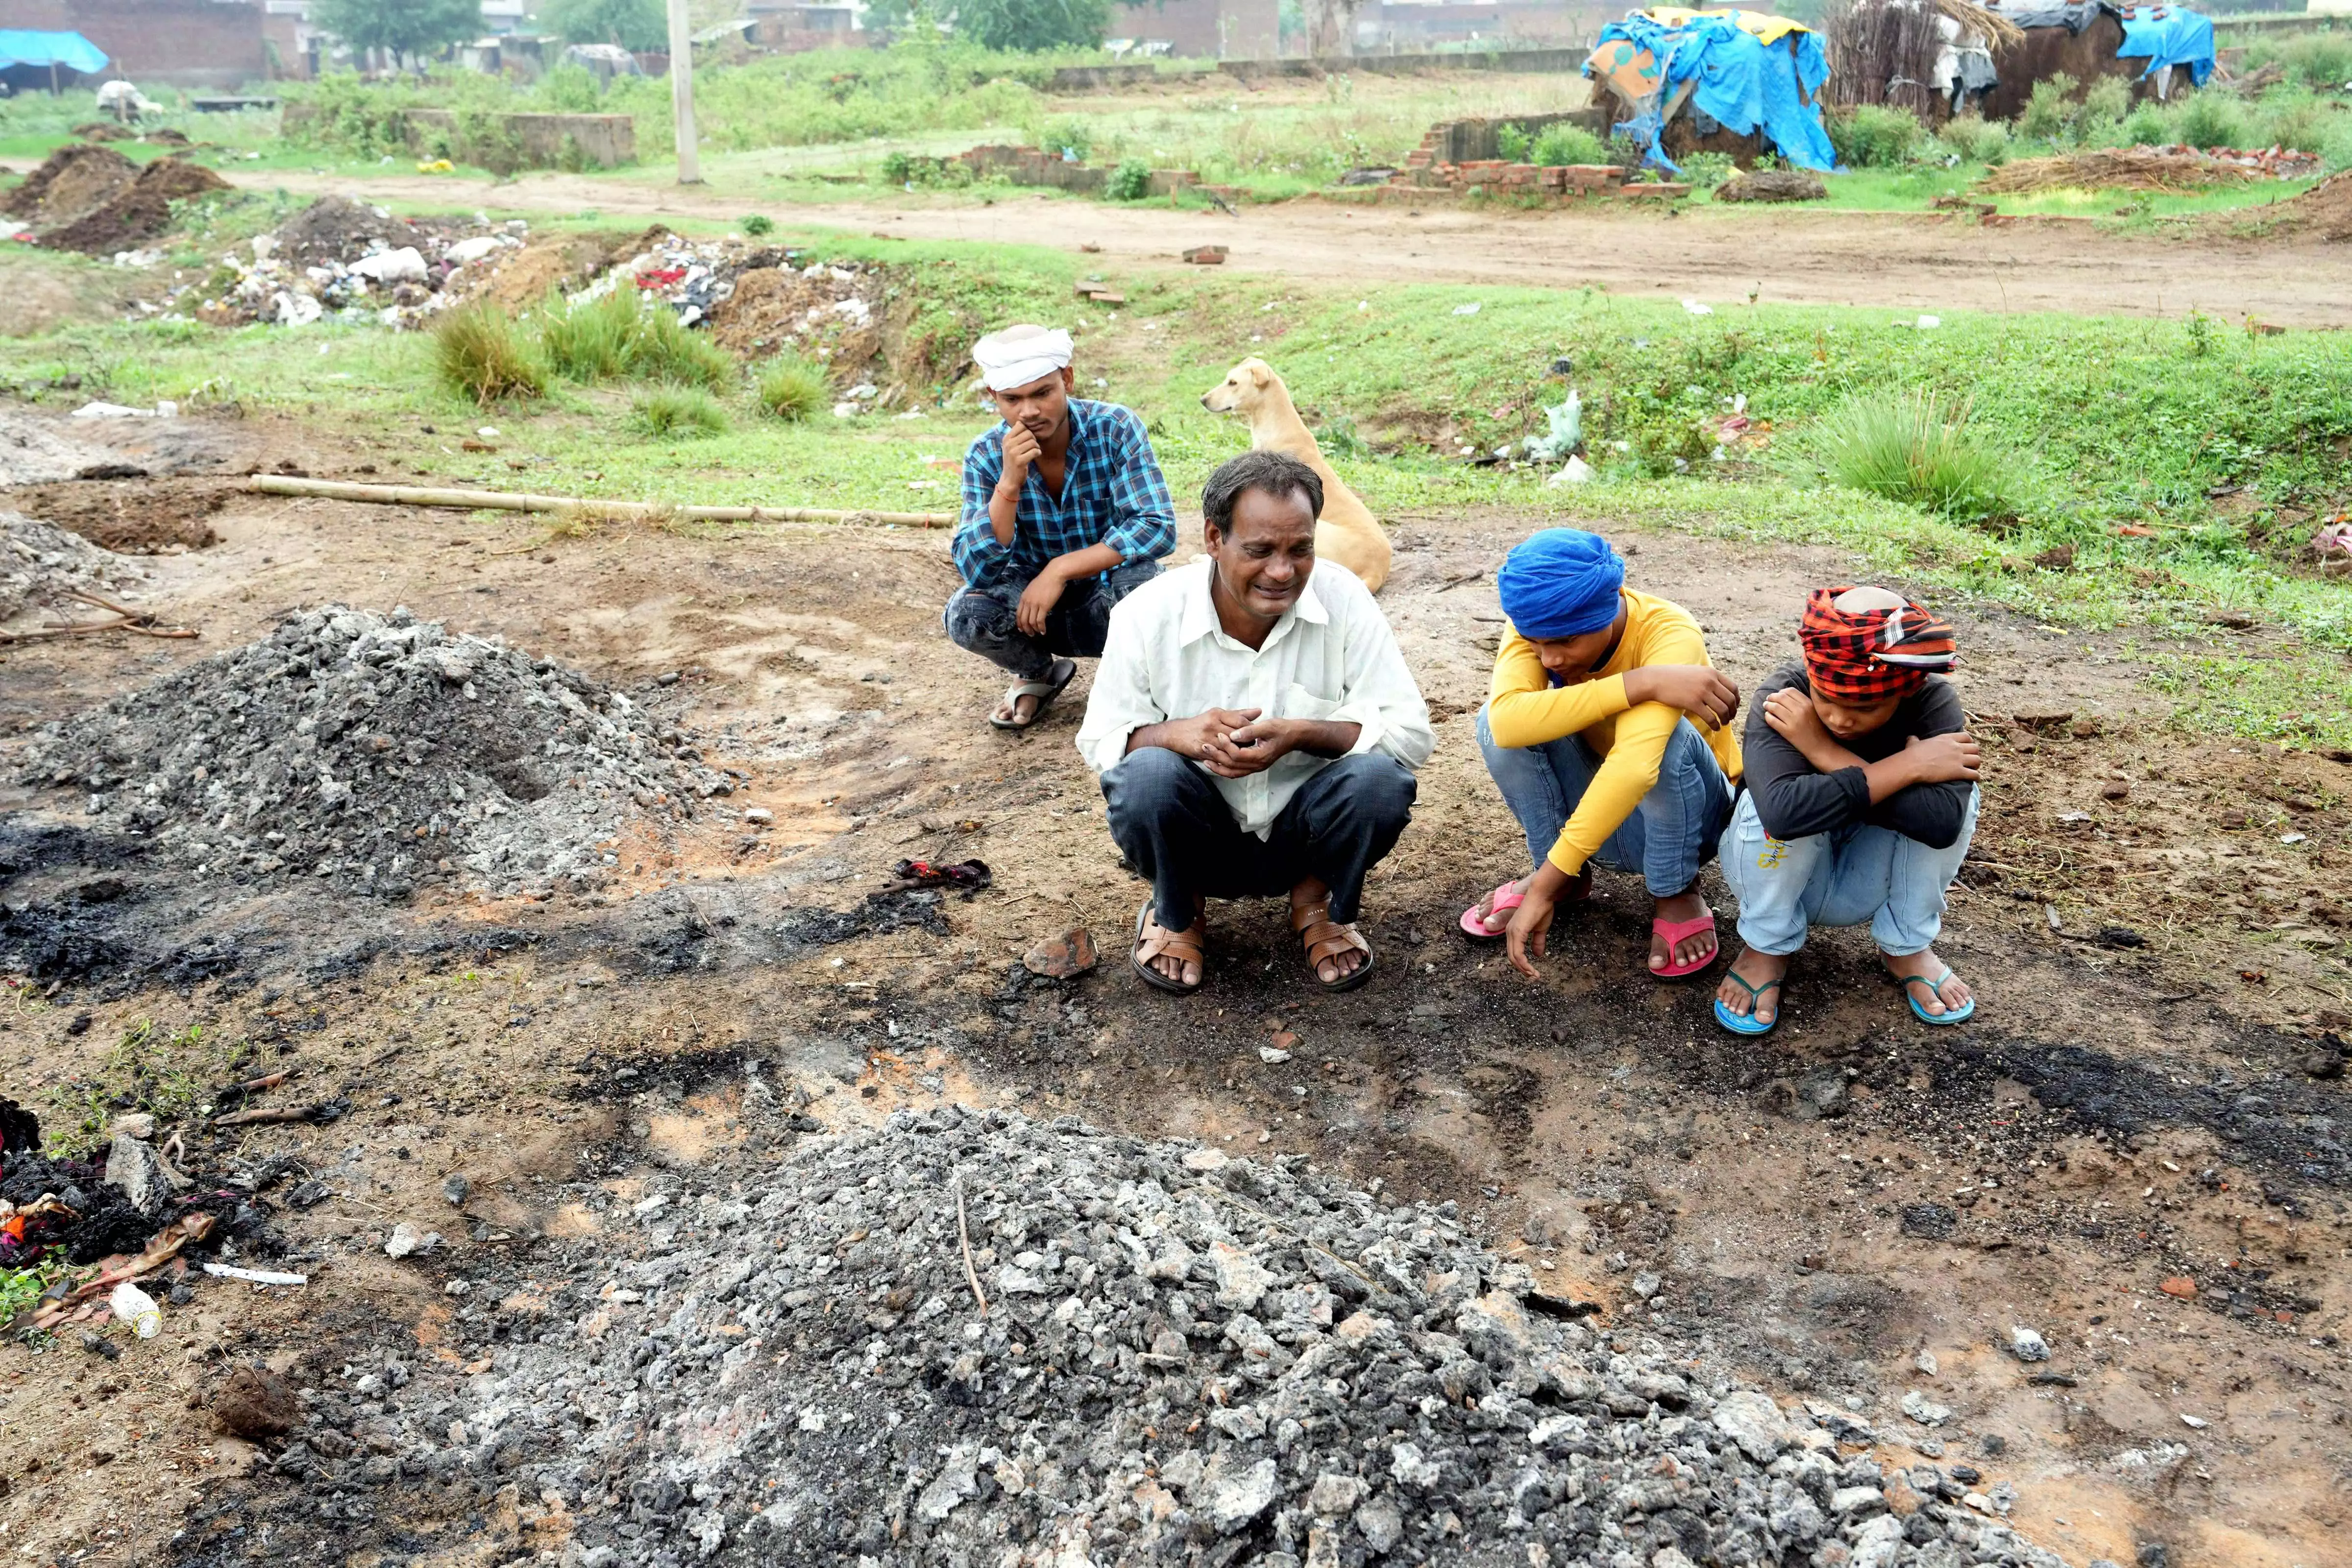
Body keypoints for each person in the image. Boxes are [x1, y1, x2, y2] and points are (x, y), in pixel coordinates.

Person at [1077, 451, 1433, 995]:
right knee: (1145, 777)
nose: (1282, 572)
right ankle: (1180, 908)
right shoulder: (1146, 615)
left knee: (1379, 783)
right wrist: (1178, 735)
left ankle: (1318, 901)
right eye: (1260, 550)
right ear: (1215, 538)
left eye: (1301, 549)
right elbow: (1101, 739)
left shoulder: (1346, 602)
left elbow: (1410, 734)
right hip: (1202, 835)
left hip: (1303, 834)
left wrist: (1303, 732)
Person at [1462, 529, 1742, 981]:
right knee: (1495, 726)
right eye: (1536, 641)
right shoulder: (1538, 618)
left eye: (1567, 642)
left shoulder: (1669, 633)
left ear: (1608, 607)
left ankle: (1676, 889)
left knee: (1666, 742)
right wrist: (1642, 683)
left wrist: (1542, 887)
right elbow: (1508, 723)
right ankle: (1565, 879)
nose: (1549, 657)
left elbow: (1635, 766)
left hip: (1691, 819)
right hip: (1609, 815)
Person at [1712, 585, 1982, 1035]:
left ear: (1905, 691)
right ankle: (1767, 945)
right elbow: (1782, 816)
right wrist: (1909, 767)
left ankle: (1906, 943)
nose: (1839, 719)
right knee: (1768, 803)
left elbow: (1940, 824)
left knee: (1961, 795)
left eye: (1865, 706)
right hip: (1781, 876)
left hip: (1871, 877)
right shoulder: (1784, 698)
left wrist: (1825, 753)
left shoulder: (1931, 704)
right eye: (1827, 698)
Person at [947, 324, 1176, 730]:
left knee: (1149, 591)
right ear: (993, 398)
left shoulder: (1115, 428)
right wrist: (1009, 483)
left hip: (1107, 596)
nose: (1029, 412)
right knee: (966, 615)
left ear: (1066, 379)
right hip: (1032, 613)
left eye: (1043, 393)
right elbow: (976, 570)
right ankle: (1036, 673)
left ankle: (1139, 684)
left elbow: (1156, 527)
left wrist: (1061, 569)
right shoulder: (985, 455)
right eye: (1012, 399)